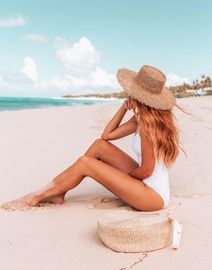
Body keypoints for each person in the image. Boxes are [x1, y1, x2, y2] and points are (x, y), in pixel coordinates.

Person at [1, 65, 182, 212]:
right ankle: (58, 192)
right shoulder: (140, 119)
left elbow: (146, 171)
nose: (129, 95)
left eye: (131, 93)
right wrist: (123, 108)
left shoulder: (148, 128)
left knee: (85, 163)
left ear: (140, 97)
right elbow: (107, 136)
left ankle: (38, 196)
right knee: (99, 146)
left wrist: (122, 177)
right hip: (145, 184)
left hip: (152, 197)